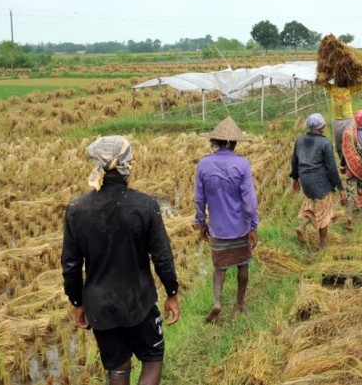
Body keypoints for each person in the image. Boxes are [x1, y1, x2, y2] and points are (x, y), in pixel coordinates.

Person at [62, 135, 180, 385]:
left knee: (118, 367)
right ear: (127, 164)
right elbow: (162, 257)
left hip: (100, 306)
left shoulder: (76, 210)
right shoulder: (145, 206)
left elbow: (71, 266)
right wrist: (172, 292)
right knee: (152, 357)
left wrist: (77, 301)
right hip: (139, 302)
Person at [194, 116, 258, 323]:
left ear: (216, 142)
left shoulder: (204, 164)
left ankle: (217, 301)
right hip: (240, 226)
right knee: (243, 264)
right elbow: (249, 201)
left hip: (218, 228)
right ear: (234, 143)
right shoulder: (242, 164)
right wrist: (253, 226)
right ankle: (240, 305)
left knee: (219, 267)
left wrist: (202, 224)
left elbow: (199, 198)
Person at [291, 113, 347, 249]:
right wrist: (340, 187)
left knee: (312, 206)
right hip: (321, 182)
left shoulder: (300, 139)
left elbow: (295, 160)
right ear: (322, 127)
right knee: (324, 213)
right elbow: (331, 168)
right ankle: (322, 245)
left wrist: (295, 178)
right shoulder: (325, 142)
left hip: (306, 181)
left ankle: (302, 225)